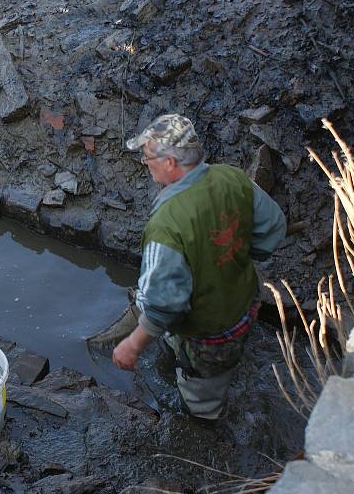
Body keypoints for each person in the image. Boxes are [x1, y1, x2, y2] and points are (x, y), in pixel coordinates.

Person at [112, 114, 286, 420]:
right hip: (244, 304)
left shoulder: (166, 226)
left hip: (209, 333)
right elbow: (273, 227)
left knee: (202, 396)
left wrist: (132, 345)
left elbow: (163, 305)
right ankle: (183, 351)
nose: (144, 162)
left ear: (169, 163)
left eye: (147, 156)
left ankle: (203, 423)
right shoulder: (231, 177)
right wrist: (233, 262)